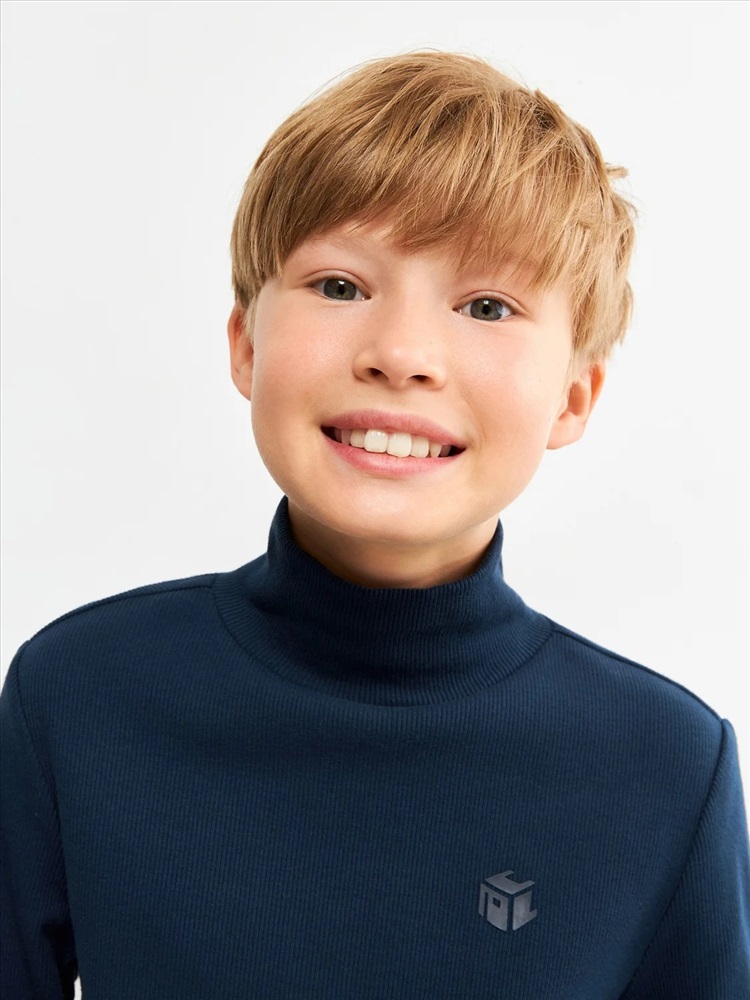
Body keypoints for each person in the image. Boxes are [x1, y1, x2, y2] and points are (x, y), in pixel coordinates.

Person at [1, 50, 748, 999]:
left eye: (487, 306)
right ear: (245, 342)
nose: (401, 354)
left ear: (573, 397)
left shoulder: (667, 766)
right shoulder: (77, 697)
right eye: (341, 287)